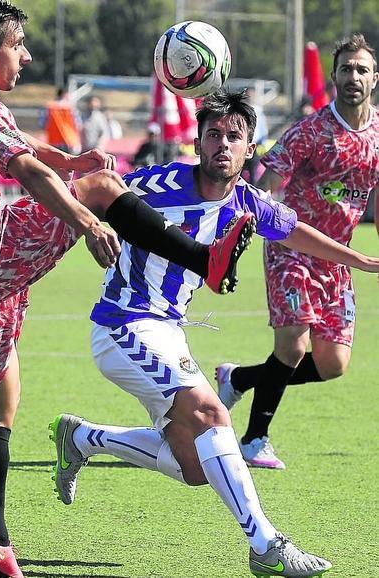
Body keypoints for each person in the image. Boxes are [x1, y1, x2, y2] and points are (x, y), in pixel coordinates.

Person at [0, 2, 256, 577]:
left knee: (1, 398)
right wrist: (86, 215)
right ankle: (204, 261)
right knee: (95, 189)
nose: (28, 55)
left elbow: (25, 150)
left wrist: (71, 159)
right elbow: (27, 171)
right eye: (19, 46)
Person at [49, 90, 379, 577]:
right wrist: (82, 225)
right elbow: (100, 191)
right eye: (214, 135)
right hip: (123, 324)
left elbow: (299, 233)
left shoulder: (250, 202)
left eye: (234, 137)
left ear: (249, 150)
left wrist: (362, 260)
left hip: (168, 330)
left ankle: (83, 438)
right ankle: (267, 545)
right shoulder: (158, 182)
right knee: (211, 413)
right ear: (199, 143)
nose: (222, 144)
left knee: (196, 467)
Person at [216, 33, 379, 470]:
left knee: (333, 364)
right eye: (346, 68)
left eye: (361, 69)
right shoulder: (312, 130)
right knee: (292, 345)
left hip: (337, 257)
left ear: (375, 78)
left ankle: (239, 378)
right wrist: (255, 219)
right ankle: (253, 440)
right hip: (291, 248)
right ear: (334, 76)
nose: (353, 76)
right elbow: (270, 179)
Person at [42, 86, 81, 154]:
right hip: (69, 138)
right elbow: (78, 123)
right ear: (65, 94)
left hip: (54, 139)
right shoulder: (70, 107)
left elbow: (42, 123)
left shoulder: (50, 106)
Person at [242, 87, 268, 184]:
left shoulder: (258, 110)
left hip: (254, 145)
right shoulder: (241, 109)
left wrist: (263, 142)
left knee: (253, 172)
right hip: (242, 144)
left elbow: (262, 127)